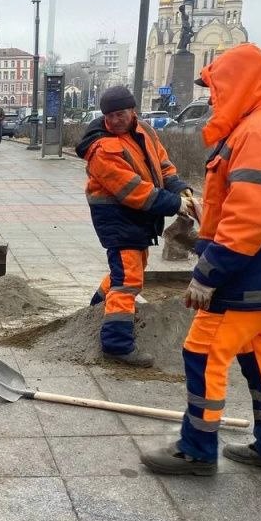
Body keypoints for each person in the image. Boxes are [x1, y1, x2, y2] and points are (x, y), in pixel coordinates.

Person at [140, 43, 261, 477]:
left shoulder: (256, 133)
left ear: (238, 84)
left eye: (217, 89)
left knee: (202, 353)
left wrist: (209, 272)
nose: (213, 99)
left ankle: (197, 449)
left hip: (247, 275)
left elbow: (250, 219)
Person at [75, 85, 200, 367]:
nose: (115, 120)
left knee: (127, 270)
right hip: (117, 217)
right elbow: (132, 190)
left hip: (136, 217)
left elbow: (162, 166)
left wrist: (179, 189)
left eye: (120, 114)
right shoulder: (102, 148)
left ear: (133, 111)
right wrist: (175, 204)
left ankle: (95, 310)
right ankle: (116, 344)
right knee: (128, 279)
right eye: (110, 116)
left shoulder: (144, 130)